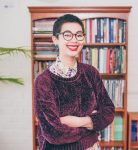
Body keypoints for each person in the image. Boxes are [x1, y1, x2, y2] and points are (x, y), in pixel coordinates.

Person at [34, 14, 115, 150]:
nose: (74, 40)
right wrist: (92, 126)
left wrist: (78, 121)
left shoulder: (90, 73)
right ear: (55, 39)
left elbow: (108, 112)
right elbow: (53, 133)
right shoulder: (44, 81)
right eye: (67, 35)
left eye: (78, 35)